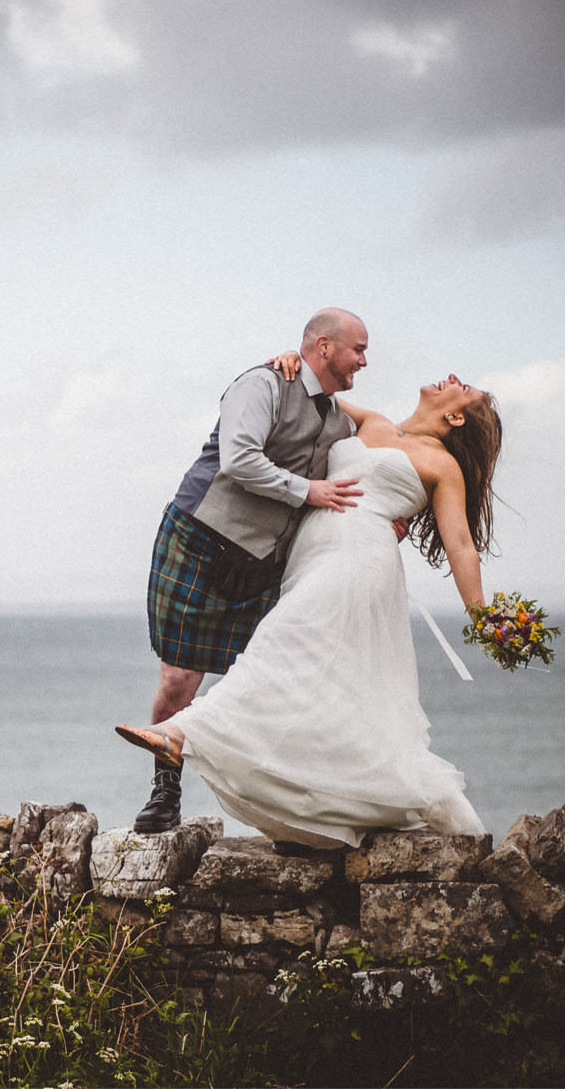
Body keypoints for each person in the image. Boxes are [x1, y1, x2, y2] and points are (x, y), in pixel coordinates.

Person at [117, 375, 503, 850]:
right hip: (308, 555)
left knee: (280, 641)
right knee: (319, 678)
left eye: (463, 388)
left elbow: (461, 544)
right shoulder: (370, 420)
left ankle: (182, 732)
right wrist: (289, 363)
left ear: (456, 416)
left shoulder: (442, 465)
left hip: (360, 559)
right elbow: (308, 398)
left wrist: (481, 616)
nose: (451, 380)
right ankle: (325, 799)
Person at [134, 307, 371, 834]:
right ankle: (164, 791)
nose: (364, 360)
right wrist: (308, 490)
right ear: (325, 346)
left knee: (270, 679)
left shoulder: (339, 420)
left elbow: (363, 467)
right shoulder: (262, 383)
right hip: (202, 539)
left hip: (265, 562)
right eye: (359, 349)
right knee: (179, 679)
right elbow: (239, 459)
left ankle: (283, 804)